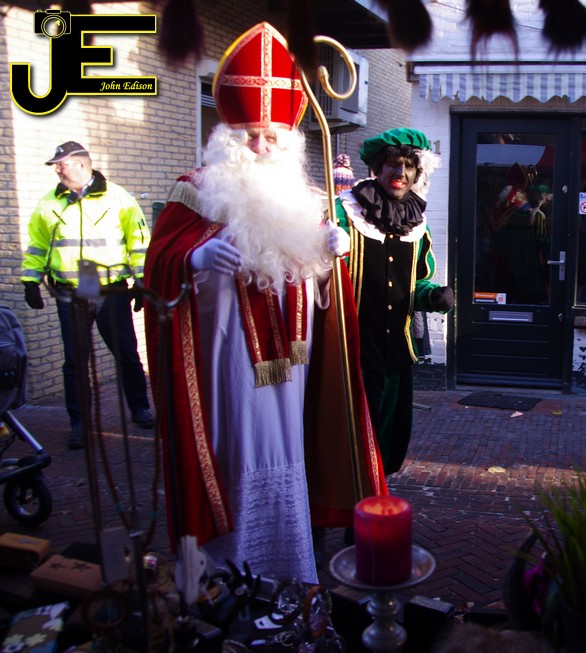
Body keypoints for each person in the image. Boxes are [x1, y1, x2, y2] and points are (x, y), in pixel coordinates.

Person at [143, 22, 351, 583]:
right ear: (228, 135)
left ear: (290, 139)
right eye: (252, 135)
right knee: (233, 444)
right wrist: (192, 259)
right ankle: (226, 569)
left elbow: (319, 286)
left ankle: (286, 564)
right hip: (227, 355)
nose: (262, 146)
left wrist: (332, 250)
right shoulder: (196, 190)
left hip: (294, 362)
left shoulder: (306, 197)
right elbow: (157, 263)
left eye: (273, 136)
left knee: (290, 446)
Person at [334, 128, 454, 475]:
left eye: (408, 166)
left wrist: (433, 296)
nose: (400, 173)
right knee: (351, 441)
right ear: (376, 167)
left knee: (388, 440)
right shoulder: (344, 212)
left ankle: (378, 497)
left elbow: (416, 283)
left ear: (418, 173)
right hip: (352, 351)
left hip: (397, 353)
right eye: (392, 164)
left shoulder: (417, 224)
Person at [21, 141, 155, 450]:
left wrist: (142, 282)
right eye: (56, 165)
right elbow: (37, 245)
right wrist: (30, 280)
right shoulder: (48, 203)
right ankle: (80, 423)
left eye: (62, 163)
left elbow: (139, 243)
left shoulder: (118, 198)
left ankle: (140, 408)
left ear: (82, 164)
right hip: (71, 292)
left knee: (125, 352)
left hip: (110, 290)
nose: (57, 169)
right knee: (75, 361)